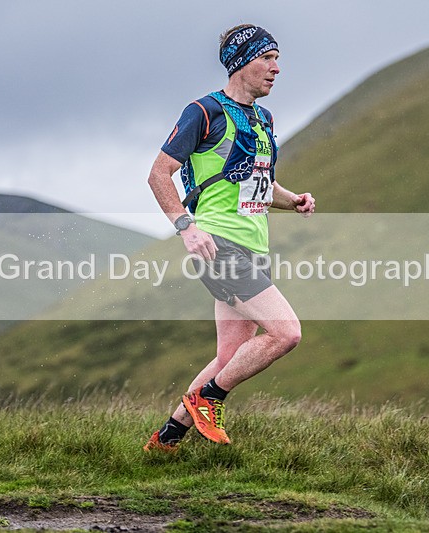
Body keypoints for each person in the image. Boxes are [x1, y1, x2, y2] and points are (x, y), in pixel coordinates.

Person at [144, 24, 315, 451]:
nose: (277, 68)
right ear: (243, 62)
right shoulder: (204, 111)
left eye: (278, 60)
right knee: (286, 332)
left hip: (254, 248)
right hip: (218, 245)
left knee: (228, 358)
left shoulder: (264, 119)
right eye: (268, 58)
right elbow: (158, 174)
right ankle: (210, 399)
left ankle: (166, 441)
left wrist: (292, 200)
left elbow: (256, 182)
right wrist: (187, 227)